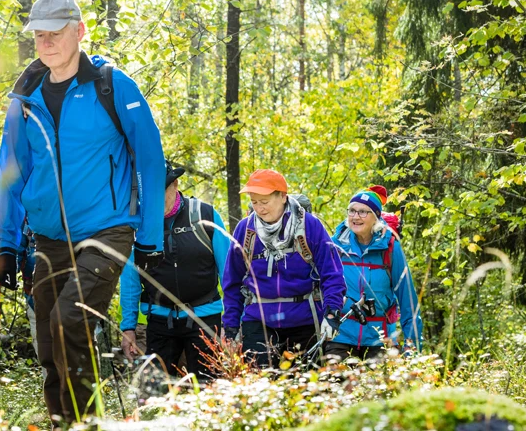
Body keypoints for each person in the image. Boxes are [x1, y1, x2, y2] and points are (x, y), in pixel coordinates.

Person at [0, 0, 165, 422]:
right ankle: (64, 422)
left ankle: (86, 422)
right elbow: (10, 172)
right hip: (49, 238)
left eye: (56, 33)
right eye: (39, 35)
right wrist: (7, 246)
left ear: (80, 31)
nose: (46, 42)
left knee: (69, 320)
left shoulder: (113, 86)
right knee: (49, 343)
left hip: (108, 230)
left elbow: (150, 159)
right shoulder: (25, 98)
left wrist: (149, 237)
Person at [222, 169, 346, 368]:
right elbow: (232, 281)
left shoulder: (310, 226)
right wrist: (230, 325)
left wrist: (332, 313)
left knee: (303, 383)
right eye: (254, 202)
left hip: (304, 320)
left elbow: (332, 273)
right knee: (260, 381)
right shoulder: (246, 230)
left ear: (282, 196)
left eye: (264, 202)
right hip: (258, 320)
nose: (259, 208)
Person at [118, 161, 230, 379]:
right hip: (160, 323)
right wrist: (128, 327)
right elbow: (130, 280)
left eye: (160, 193)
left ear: (175, 184)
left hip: (205, 319)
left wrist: (232, 323)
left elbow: (229, 272)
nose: (154, 202)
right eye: (148, 196)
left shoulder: (205, 215)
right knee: (156, 391)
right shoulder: (138, 226)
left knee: (208, 389)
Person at [325, 186, 423, 360]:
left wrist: (412, 349)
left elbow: (408, 301)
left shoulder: (390, 248)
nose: (356, 216)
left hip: (380, 338)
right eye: (352, 211)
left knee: (379, 378)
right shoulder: (336, 246)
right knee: (334, 376)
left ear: (376, 217)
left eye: (363, 212)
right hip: (340, 336)